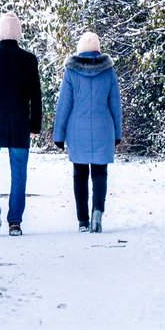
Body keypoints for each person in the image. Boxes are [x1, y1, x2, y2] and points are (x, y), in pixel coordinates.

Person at [0, 12, 42, 236]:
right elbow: (36, 96)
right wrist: (35, 126)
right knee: (19, 171)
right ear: (19, 34)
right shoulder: (29, 60)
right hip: (20, 123)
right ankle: (15, 222)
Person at [52, 31, 122, 233]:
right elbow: (115, 104)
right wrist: (117, 133)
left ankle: (82, 220)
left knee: (80, 174)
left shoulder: (71, 72)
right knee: (100, 173)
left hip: (77, 130)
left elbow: (64, 104)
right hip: (103, 128)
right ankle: (98, 211)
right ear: (97, 50)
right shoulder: (108, 72)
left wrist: (59, 135)